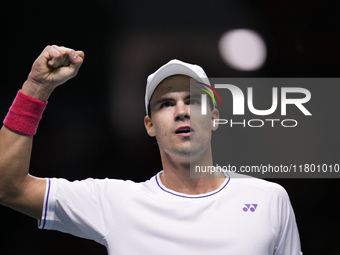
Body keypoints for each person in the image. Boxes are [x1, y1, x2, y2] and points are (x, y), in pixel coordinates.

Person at [0, 45, 302, 254]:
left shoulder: (268, 199)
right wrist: (36, 88)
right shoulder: (115, 203)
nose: (181, 111)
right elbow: (9, 187)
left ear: (214, 118)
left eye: (193, 100)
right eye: (166, 103)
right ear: (149, 125)